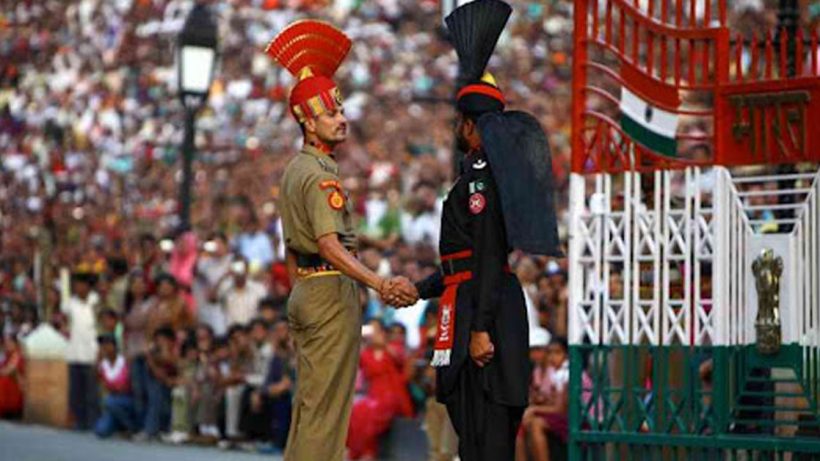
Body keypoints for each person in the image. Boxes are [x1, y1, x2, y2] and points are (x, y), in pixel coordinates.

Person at [413, 1, 561, 459]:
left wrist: (478, 330)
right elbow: (460, 259)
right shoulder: (479, 174)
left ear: (472, 126)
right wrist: (419, 289)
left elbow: (489, 251)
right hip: (473, 297)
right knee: (473, 438)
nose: (456, 129)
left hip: (485, 310)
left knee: (487, 439)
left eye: (460, 121)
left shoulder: (481, 177)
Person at [266, 20, 416, 461]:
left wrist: (304, 290)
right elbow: (330, 246)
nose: (342, 119)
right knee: (326, 413)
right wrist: (380, 283)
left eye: (341, 109)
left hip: (309, 289)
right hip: (329, 290)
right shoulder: (319, 177)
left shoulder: (296, 170)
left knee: (311, 405)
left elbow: (291, 248)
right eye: (331, 113)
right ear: (308, 124)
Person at [347, 320, 414, 460]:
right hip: (373, 395)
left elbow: (401, 359)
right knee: (357, 411)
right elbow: (352, 362)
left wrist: (385, 346)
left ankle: (367, 453)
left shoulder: (394, 348)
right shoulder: (366, 353)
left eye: (377, 331)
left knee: (370, 412)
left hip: (393, 394)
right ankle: (363, 452)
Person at [517, 337, 569, 461]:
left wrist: (534, 409)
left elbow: (560, 408)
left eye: (557, 353)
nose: (552, 357)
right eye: (550, 352)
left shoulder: (565, 373)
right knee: (523, 425)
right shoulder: (541, 371)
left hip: (578, 420)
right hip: (560, 415)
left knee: (535, 424)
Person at [62, 270, 102, 430]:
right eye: (75, 285)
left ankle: (93, 421)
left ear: (88, 286)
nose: (78, 288)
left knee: (91, 390)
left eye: (81, 285)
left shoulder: (96, 301)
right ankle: (79, 421)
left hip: (92, 351)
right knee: (76, 391)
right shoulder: (70, 304)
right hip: (74, 352)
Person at [94, 334, 137, 437]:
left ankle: (131, 427)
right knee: (100, 431)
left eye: (107, 344)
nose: (104, 348)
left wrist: (112, 389)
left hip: (128, 398)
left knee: (109, 401)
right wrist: (97, 359)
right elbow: (98, 380)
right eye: (102, 345)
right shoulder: (103, 365)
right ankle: (119, 426)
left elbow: (123, 386)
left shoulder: (124, 361)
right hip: (113, 400)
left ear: (115, 346)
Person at [0, 334, 25, 419]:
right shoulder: (7, 354)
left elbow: (8, 370)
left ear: (15, 344)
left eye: (10, 343)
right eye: (6, 343)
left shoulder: (16, 354)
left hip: (16, 383)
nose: (7, 345)